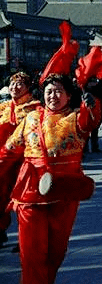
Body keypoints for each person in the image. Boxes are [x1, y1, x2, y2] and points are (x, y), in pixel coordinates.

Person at [4, 73, 100, 284]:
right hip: (30, 192)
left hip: (64, 192)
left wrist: (93, 103)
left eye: (59, 90)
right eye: (49, 90)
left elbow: (91, 121)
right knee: (31, 251)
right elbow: (10, 149)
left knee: (56, 251)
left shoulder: (75, 118)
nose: (53, 95)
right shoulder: (31, 118)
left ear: (69, 95)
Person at [0, 72, 41, 247]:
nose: (15, 87)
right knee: (1, 196)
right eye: (12, 84)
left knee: (23, 199)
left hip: (24, 159)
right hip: (4, 158)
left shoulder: (34, 108)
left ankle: (24, 236)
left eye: (19, 84)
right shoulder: (3, 107)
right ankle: (1, 230)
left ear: (27, 87)